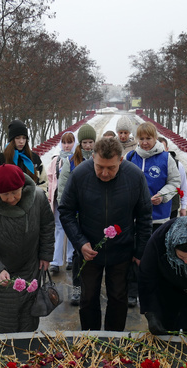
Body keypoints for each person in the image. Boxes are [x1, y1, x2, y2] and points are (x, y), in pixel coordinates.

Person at [59, 137, 152, 331]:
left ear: (120, 160)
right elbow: (66, 211)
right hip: (88, 249)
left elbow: (144, 216)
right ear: (93, 157)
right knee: (88, 297)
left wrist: (140, 251)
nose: (104, 173)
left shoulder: (135, 177)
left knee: (119, 298)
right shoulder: (80, 175)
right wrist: (79, 242)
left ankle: (113, 341)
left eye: (111, 168)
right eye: (100, 166)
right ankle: (90, 340)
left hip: (122, 250)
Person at [0, 164, 55, 333]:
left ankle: (27, 355)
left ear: (22, 187)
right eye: (5, 194)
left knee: (29, 318)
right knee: (5, 320)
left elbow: (47, 226)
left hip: (30, 265)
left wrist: (45, 254)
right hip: (1, 272)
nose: (10, 198)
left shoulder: (38, 198)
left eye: (14, 192)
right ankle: (9, 356)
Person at [124, 122, 181, 307]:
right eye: (141, 139)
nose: (145, 142)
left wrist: (162, 196)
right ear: (137, 139)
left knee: (154, 256)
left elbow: (175, 182)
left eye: (149, 138)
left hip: (159, 216)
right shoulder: (130, 157)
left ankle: (153, 292)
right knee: (133, 255)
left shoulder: (166, 158)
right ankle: (132, 292)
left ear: (155, 138)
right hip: (134, 218)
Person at [138, 216, 187, 337]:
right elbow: (147, 277)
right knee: (164, 333)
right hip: (166, 288)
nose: (186, 262)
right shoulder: (158, 240)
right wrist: (151, 312)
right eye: (180, 257)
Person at [57, 124, 96, 306]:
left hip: (96, 216)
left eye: (91, 142)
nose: (88, 146)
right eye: (85, 142)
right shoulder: (72, 161)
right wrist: (66, 207)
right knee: (79, 256)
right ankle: (77, 289)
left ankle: (93, 289)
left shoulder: (100, 158)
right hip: (78, 215)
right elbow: (63, 186)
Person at [46, 131, 76, 274]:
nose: (66, 145)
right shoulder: (55, 160)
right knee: (59, 228)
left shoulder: (77, 159)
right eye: (64, 142)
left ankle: (71, 258)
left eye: (69, 142)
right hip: (59, 200)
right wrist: (50, 197)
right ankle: (56, 261)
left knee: (72, 228)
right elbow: (50, 179)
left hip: (73, 200)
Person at [0, 120, 46, 189]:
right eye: (17, 138)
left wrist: (39, 197)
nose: (21, 141)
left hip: (33, 198)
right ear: (11, 140)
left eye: (24, 138)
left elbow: (44, 183)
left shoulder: (34, 158)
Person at [158, 137, 187, 218]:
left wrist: (183, 207)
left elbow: (183, 186)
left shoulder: (178, 165)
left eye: (163, 148)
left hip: (172, 209)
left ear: (167, 149)